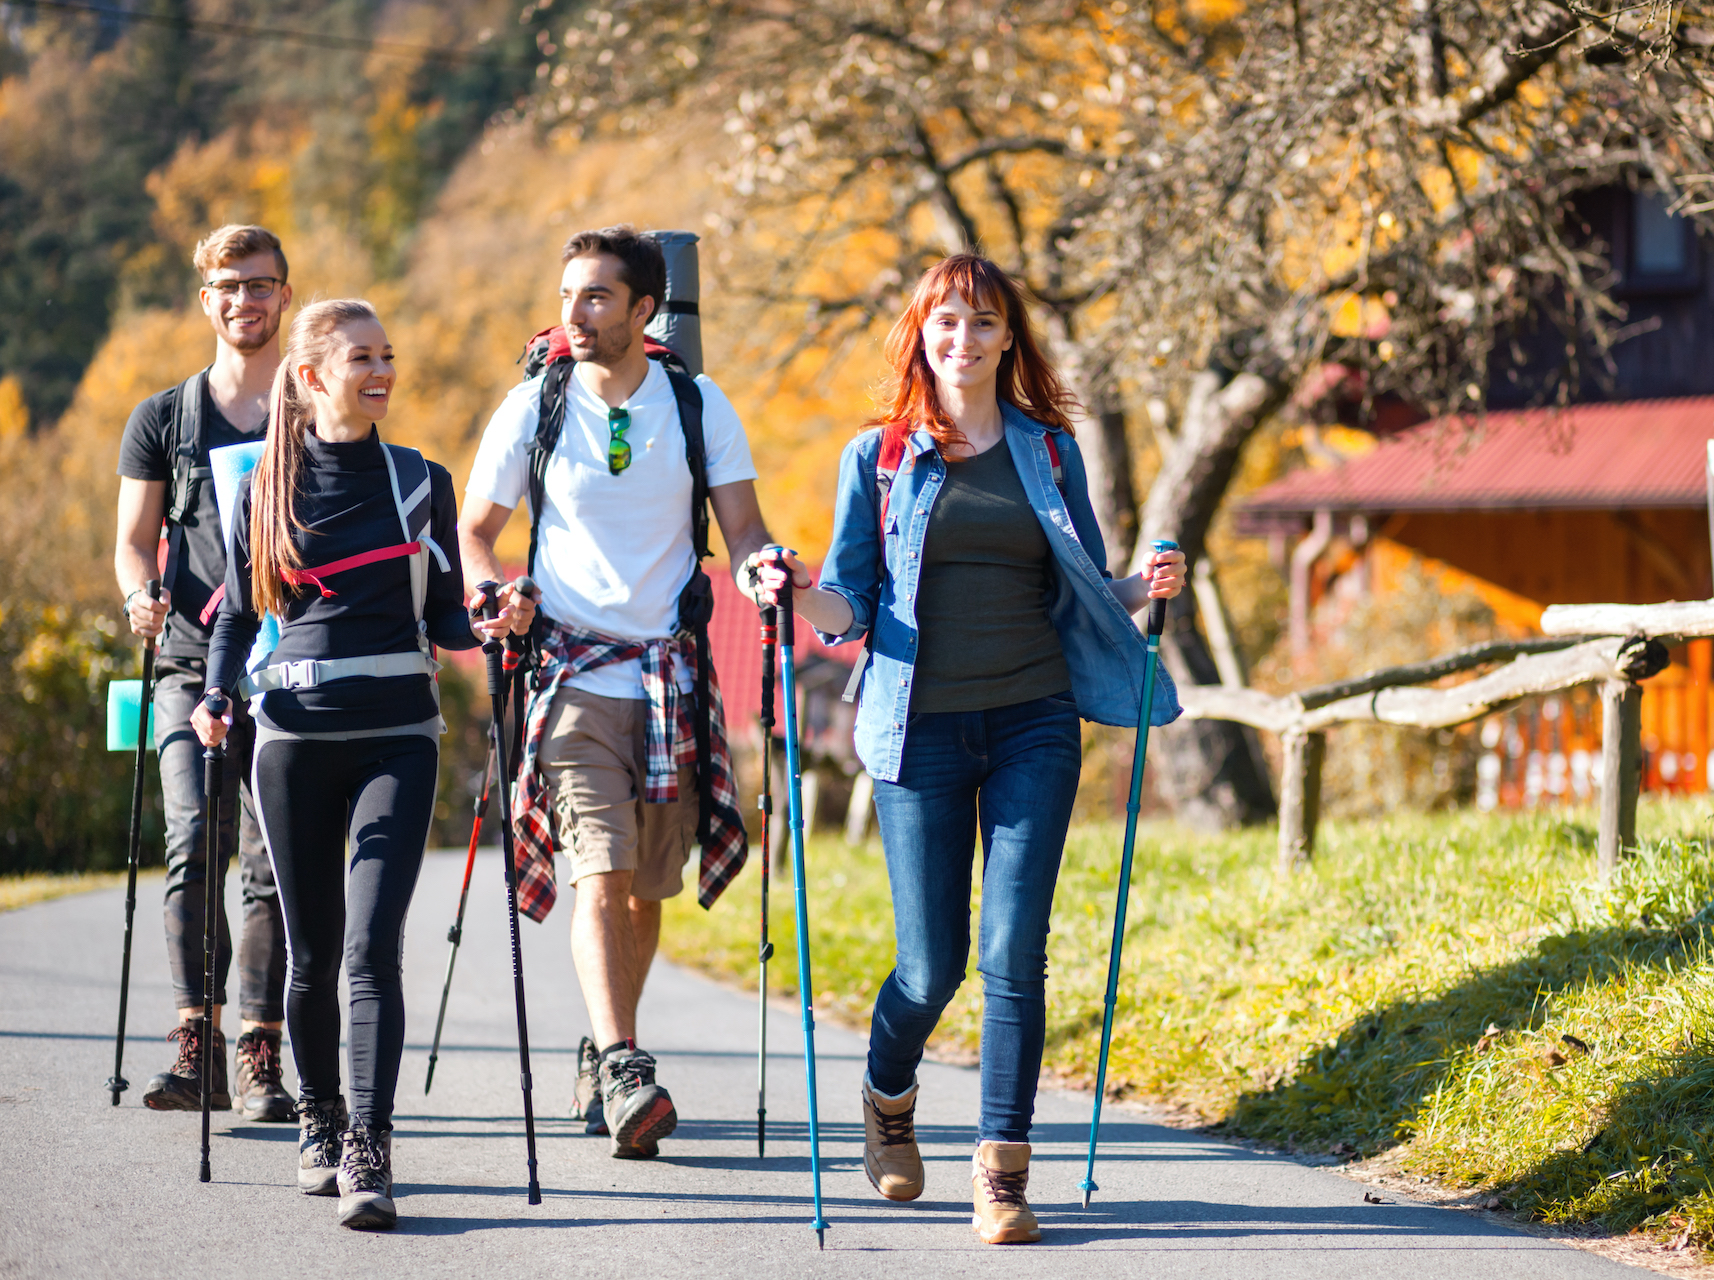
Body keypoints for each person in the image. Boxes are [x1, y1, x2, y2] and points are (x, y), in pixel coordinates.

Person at [752, 254, 1186, 1246]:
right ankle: (887, 1090)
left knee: (1011, 953)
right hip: (918, 729)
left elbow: (1086, 582)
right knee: (930, 966)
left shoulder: (1049, 448)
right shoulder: (881, 457)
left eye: (984, 322)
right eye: (948, 321)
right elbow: (849, 604)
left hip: (1035, 716)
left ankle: (1000, 1167)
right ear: (922, 333)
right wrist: (793, 589)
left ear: (1008, 337)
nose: (966, 338)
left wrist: (1147, 587)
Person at [194, 298, 513, 1230]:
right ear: (311, 376)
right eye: (360, 358)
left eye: (387, 355)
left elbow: (450, 616)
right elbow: (240, 619)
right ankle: (320, 1119)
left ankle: (370, 1146)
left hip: (397, 735)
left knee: (374, 949)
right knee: (313, 953)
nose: (381, 372)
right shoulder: (263, 488)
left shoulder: (420, 481)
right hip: (290, 737)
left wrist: (494, 620)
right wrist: (217, 697)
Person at [459, 225, 772, 1161]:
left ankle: (603, 1047)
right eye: (566, 296)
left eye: (596, 297)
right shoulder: (533, 404)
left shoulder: (697, 401)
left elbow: (746, 527)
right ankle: (631, 1062)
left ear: (645, 310)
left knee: (644, 886)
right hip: (568, 674)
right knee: (598, 861)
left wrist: (764, 572)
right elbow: (476, 530)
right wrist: (489, 592)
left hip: (671, 671)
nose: (575, 314)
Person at [113, 224, 295, 1122]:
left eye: (259, 285)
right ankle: (199, 1043)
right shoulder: (163, 418)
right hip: (189, 661)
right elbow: (129, 541)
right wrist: (138, 595)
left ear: (285, 297)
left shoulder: (316, 408)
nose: (244, 301)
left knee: (272, 862)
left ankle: (262, 1052)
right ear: (205, 300)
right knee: (194, 842)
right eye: (228, 286)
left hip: (292, 670)